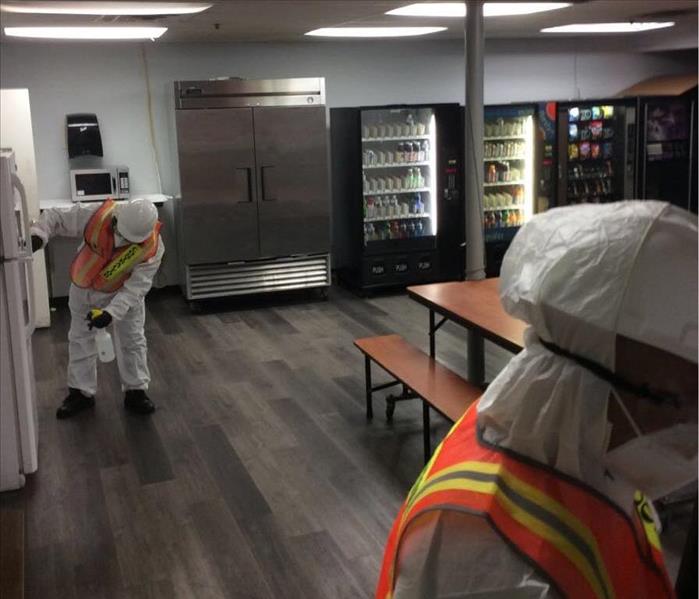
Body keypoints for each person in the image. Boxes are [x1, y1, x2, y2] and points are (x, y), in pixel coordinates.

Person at [376, 201, 697, 599]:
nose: (691, 424)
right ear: (593, 385)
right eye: (682, 400)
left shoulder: (564, 444)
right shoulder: (495, 565)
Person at [31, 198, 164, 419]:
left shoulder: (153, 247)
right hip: (84, 290)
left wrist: (111, 313)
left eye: (129, 240)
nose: (121, 241)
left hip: (122, 294)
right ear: (118, 217)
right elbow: (55, 216)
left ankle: (136, 391)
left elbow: (136, 288)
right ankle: (81, 393)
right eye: (120, 233)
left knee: (132, 341)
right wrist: (38, 234)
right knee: (81, 339)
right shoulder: (96, 214)